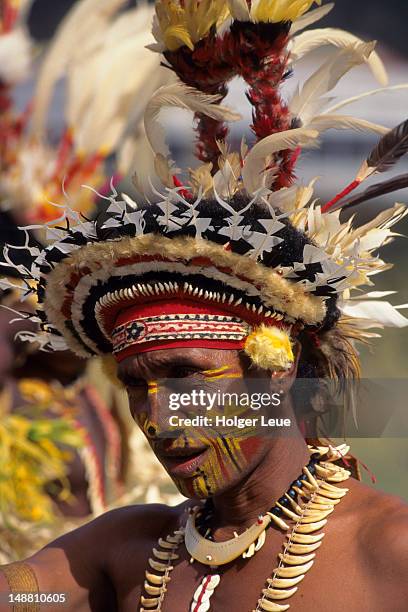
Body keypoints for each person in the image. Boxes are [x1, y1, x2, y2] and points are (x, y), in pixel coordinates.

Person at [1, 0, 408, 610]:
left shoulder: (389, 554)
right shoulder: (126, 553)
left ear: (276, 367)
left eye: (187, 375)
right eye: (137, 384)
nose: (160, 418)